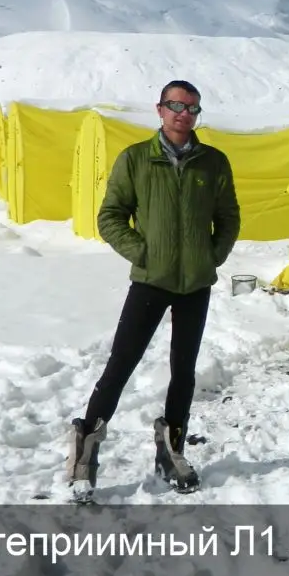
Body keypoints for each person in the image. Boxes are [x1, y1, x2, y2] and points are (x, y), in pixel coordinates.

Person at [65, 80, 241, 500]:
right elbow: (109, 216)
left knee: (184, 371)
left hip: (195, 284)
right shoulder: (137, 159)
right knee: (121, 363)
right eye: (175, 105)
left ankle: (172, 451)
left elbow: (229, 216)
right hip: (150, 280)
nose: (184, 113)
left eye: (192, 108)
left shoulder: (213, 162)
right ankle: (84, 454)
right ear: (159, 110)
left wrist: (210, 256)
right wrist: (141, 252)